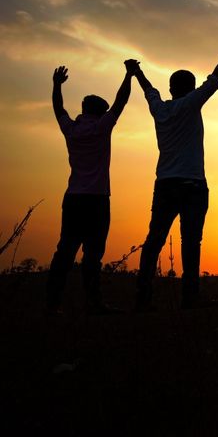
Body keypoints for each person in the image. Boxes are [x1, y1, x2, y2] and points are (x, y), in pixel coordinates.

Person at [130, 31, 218, 311]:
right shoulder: (191, 104)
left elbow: (148, 90)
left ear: (170, 88)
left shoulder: (159, 110)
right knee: (191, 241)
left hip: (165, 183)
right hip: (192, 184)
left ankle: (143, 296)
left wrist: (136, 71)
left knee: (154, 239)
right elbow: (217, 77)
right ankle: (190, 298)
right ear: (190, 89)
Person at [47, 63, 134, 314]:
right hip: (96, 200)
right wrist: (128, 75)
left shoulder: (71, 129)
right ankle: (93, 302)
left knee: (65, 250)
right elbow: (121, 102)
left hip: (73, 198)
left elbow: (58, 109)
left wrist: (56, 85)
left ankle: (52, 303)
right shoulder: (101, 127)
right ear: (100, 112)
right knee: (93, 254)